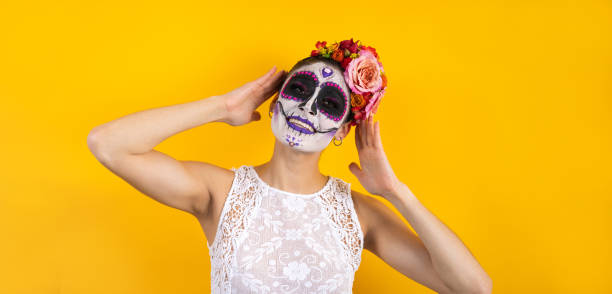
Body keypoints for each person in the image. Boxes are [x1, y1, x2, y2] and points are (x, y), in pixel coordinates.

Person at [87, 39, 492, 294]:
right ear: (276, 99)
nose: (308, 107)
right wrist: (223, 107)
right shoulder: (220, 192)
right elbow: (107, 145)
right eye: (298, 90)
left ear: (342, 130)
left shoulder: (358, 215)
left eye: (330, 102)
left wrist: (395, 192)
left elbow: (474, 288)